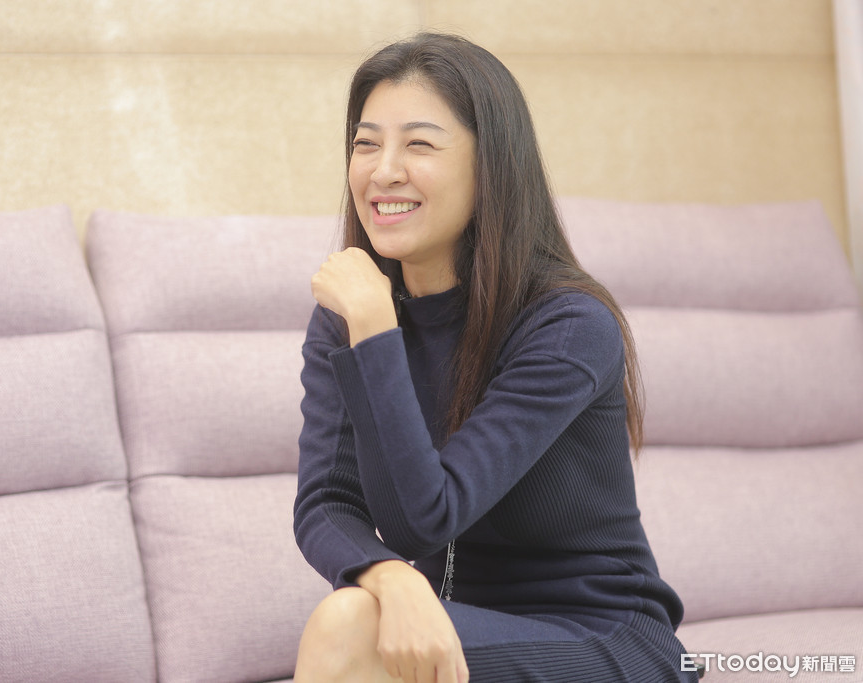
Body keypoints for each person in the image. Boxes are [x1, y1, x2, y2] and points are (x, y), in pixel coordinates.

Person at [292, 32, 695, 682]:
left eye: (419, 145)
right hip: (458, 620)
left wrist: (373, 329)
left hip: (601, 635)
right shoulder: (349, 312)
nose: (383, 171)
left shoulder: (567, 325)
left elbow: (426, 519)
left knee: (347, 629)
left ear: (491, 166)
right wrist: (393, 578)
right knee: (355, 613)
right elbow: (326, 502)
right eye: (366, 144)